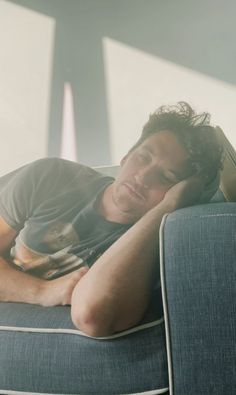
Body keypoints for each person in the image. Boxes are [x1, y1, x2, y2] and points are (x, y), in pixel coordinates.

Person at [0, 102, 223, 337]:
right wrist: (42, 292)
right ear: (126, 157)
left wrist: (169, 206)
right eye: (143, 157)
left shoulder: (158, 240)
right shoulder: (50, 177)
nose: (143, 177)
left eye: (166, 176)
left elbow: (92, 314)